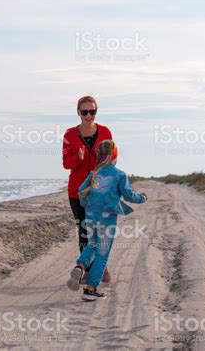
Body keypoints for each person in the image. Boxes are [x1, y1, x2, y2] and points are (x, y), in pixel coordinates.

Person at [66, 140, 147, 301]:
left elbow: (81, 190)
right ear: (114, 155)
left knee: (92, 245)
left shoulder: (94, 173)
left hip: (90, 218)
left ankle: (80, 266)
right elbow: (129, 195)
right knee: (102, 254)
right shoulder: (119, 175)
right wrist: (142, 198)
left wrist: (85, 204)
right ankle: (90, 289)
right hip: (107, 221)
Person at [62, 95, 113, 283]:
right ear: (78, 113)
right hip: (77, 191)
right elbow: (66, 164)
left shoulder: (105, 132)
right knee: (84, 230)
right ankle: (87, 269)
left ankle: (101, 267)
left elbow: (113, 158)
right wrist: (79, 158)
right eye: (85, 112)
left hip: (100, 191)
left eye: (92, 111)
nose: (89, 115)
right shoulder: (69, 135)